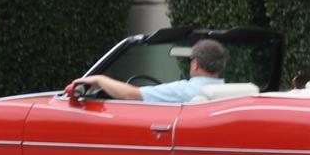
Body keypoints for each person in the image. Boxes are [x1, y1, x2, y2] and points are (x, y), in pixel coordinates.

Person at [72, 39, 226, 103]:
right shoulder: (229, 91)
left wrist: (100, 79)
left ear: (195, 64)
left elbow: (130, 94)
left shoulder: (182, 90)